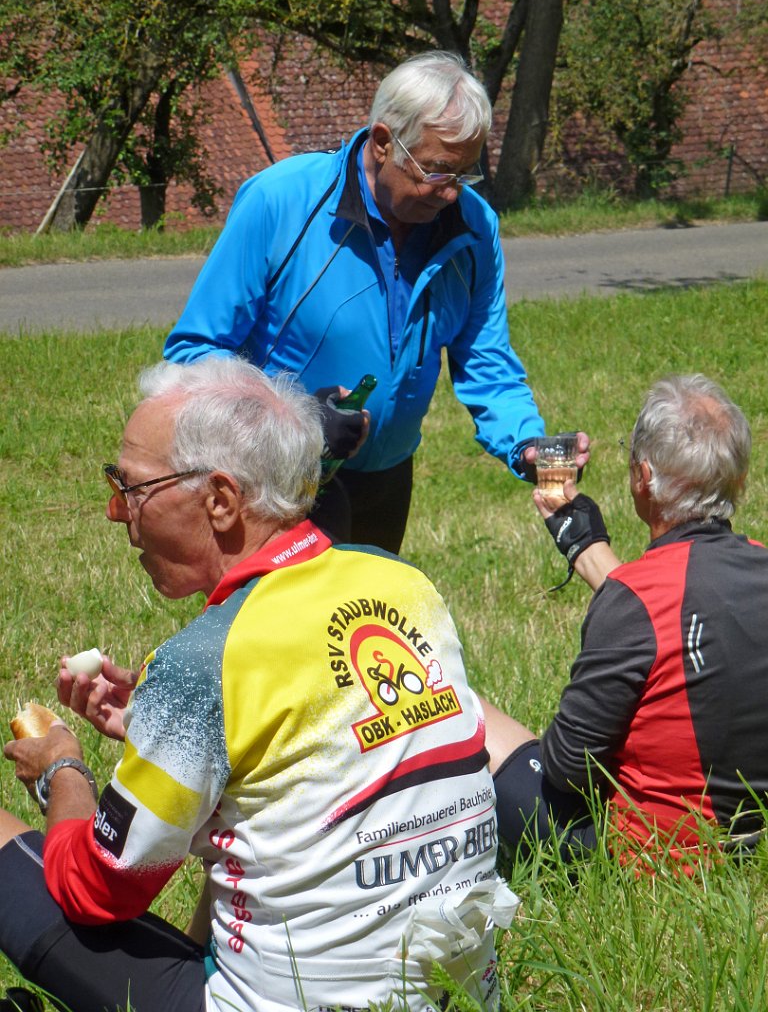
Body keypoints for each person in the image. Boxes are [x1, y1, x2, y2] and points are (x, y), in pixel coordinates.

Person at [0, 357, 516, 1012]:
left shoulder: (204, 662)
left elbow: (95, 888)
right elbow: (304, 767)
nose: (115, 512)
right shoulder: (402, 584)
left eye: (130, 488)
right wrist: (159, 725)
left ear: (219, 500)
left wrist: (63, 770)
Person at [163, 50, 587, 553]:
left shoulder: (475, 228)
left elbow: (486, 363)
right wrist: (294, 423)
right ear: (384, 143)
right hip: (274, 486)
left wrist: (527, 444)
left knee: (364, 629)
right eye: (437, 172)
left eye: (464, 175)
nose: (452, 194)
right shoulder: (279, 202)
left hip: (387, 481)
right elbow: (193, 356)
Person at [484, 374, 768, 866]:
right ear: (738, 478)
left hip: (659, 856)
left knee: (466, 708)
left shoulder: (633, 602)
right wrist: (584, 547)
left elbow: (568, 768)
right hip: (755, 838)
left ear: (643, 477)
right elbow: (683, 608)